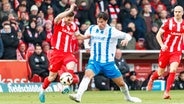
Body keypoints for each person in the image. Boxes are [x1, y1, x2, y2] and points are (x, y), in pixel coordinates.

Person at [69, 12, 142, 103]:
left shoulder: (112, 31)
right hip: (95, 60)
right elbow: (86, 37)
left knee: (121, 83)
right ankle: (78, 96)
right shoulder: (92, 28)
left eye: (102, 22)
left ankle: (128, 97)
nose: (100, 24)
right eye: (98, 21)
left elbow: (127, 35)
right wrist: (87, 46)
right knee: (87, 75)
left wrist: (126, 39)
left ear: (106, 21)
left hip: (108, 63)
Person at [38, 3, 90, 103]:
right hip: (56, 53)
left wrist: (87, 37)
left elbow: (78, 35)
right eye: (68, 19)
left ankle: (66, 85)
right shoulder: (59, 22)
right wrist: (70, 9)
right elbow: (58, 17)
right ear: (65, 16)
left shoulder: (73, 26)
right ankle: (42, 91)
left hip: (67, 53)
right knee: (51, 77)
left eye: (72, 19)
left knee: (71, 65)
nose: (70, 21)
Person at [146, 6, 184, 99]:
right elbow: (158, 35)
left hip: (176, 51)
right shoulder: (169, 22)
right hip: (165, 51)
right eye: (176, 11)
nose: (177, 13)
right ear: (173, 12)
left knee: (173, 69)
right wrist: (162, 45)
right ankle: (151, 79)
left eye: (179, 12)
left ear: (182, 13)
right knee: (160, 72)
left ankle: (166, 92)